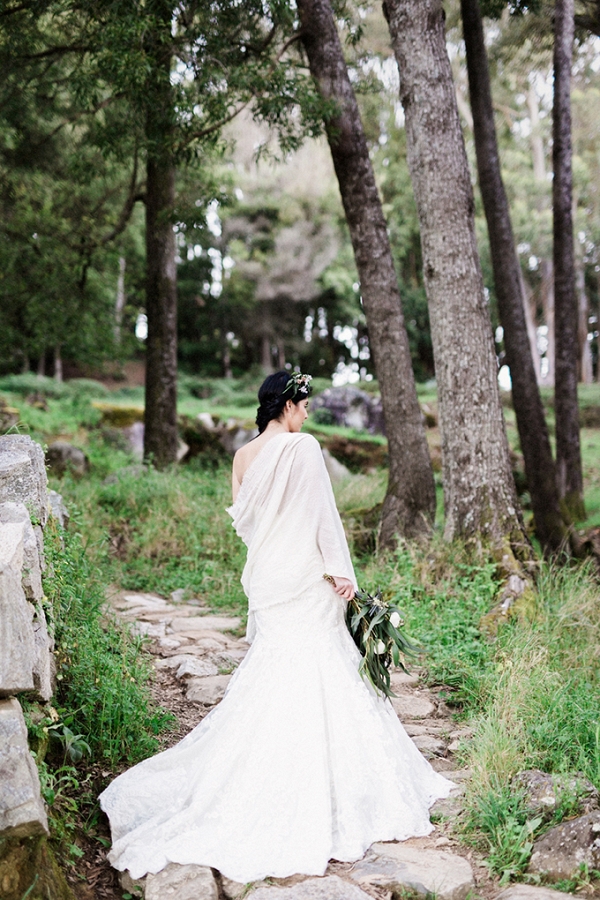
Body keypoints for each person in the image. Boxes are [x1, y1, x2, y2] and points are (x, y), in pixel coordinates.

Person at [99, 371, 452, 885]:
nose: (308, 413)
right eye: (303, 404)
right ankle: (325, 784)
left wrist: (275, 549)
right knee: (319, 664)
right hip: (305, 576)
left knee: (275, 667)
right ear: (285, 405)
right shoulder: (302, 448)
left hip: (267, 577)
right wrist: (342, 572)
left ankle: (259, 776)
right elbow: (320, 516)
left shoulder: (242, 457)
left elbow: (245, 522)